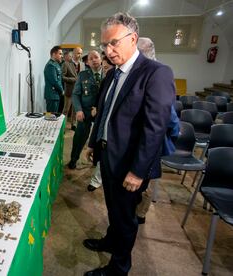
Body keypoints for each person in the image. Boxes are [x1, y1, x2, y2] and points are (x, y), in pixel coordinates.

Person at [84, 13, 174, 276]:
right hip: (107, 153)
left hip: (129, 163)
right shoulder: (113, 74)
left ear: (133, 38)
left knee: (125, 218)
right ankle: (110, 242)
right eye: (104, 45)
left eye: (113, 43)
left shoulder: (156, 73)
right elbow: (104, 112)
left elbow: (155, 128)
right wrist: (93, 143)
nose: (108, 51)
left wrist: (138, 171)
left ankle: (119, 267)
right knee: (113, 208)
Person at [135, 37, 180, 224]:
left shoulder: (157, 73)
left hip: (150, 143)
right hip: (137, 142)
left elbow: (169, 119)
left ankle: (140, 214)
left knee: (144, 183)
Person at [67, 50, 102, 170]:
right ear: (87, 62)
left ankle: (96, 163)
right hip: (85, 112)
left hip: (100, 113)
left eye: (96, 57)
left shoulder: (109, 74)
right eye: (91, 58)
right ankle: (73, 160)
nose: (94, 60)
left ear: (101, 58)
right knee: (79, 138)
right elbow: (75, 94)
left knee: (99, 139)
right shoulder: (83, 75)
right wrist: (78, 110)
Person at [87, 55, 114, 192]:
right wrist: (95, 107)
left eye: (107, 67)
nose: (106, 70)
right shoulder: (106, 80)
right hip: (102, 126)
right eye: (104, 68)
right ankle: (96, 180)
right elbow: (100, 97)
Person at [44, 46, 63, 112]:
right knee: (51, 117)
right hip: (52, 95)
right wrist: (62, 90)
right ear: (54, 54)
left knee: (54, 117)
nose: (61, 56)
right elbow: (55, 81)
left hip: (55, 95)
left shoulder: (56, 64)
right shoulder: (50, 65)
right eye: (60, 54)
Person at [62, 50, 78, 130]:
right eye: (69, 56)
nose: (71, 57)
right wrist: (73, 79)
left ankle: (73, 124)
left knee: (75, 110)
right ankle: (63, 126)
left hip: (76, 91)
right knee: (66, 110)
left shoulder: (73, 64)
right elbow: (63, 77)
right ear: (65, 57)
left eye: (71, 56)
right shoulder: (65, 64)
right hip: (69, 90)